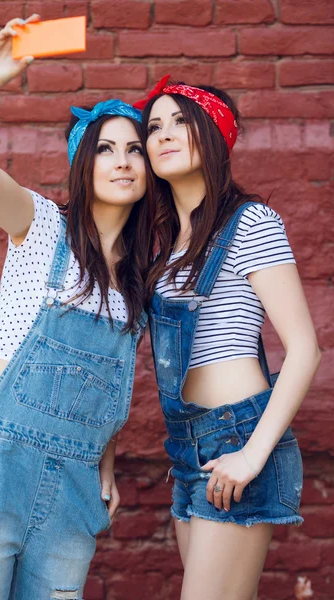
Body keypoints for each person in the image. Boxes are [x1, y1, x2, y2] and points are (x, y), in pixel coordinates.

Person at [0, 16, 154, 600]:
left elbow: (109, 382)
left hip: (75, 484)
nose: (123, 159)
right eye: (106, 148)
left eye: (136, 149)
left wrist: (104, 460)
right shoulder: (41, 226)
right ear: (84, 163)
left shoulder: (138, 282)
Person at [135, 76, 321, 600]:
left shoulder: (250, 222)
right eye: (153, 127)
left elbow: (305, 349)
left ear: (212, 134)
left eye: (179, 122)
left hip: (236, 441)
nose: (162, 135)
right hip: (188, 448)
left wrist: (253, 455)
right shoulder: (171, 245)